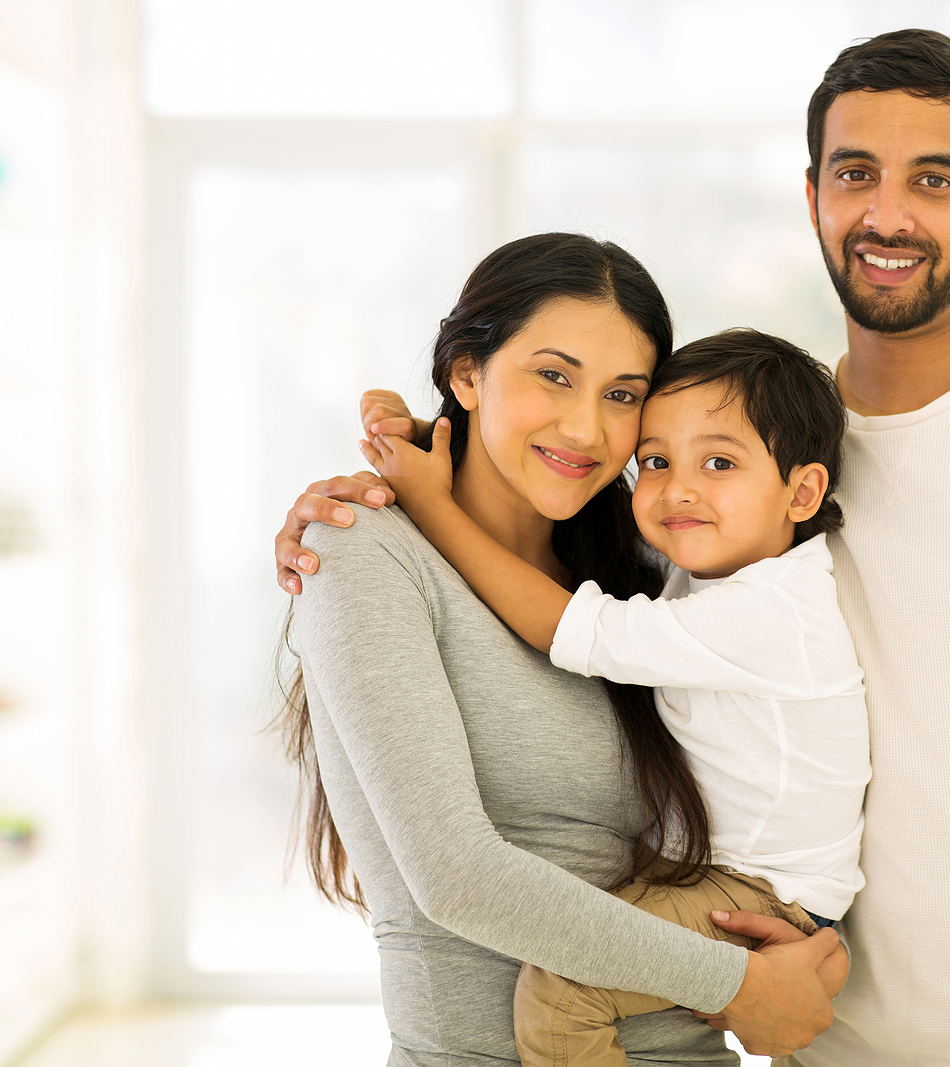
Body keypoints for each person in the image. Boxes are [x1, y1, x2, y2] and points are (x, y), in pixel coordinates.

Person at [277, 30, 950, 1067]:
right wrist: (385, 487)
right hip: (827, 1046)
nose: (885, 212)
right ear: (812, 195)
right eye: (854, 172)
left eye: (933, 178)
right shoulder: (742, 475)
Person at [279, 232, 845, 1067]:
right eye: (553, 374)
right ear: (467, 374)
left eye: (623, 394)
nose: (586, 426)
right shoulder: (363, 549)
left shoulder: (648, 573)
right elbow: (458, 878)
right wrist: (741, 985)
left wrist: (814, 940)